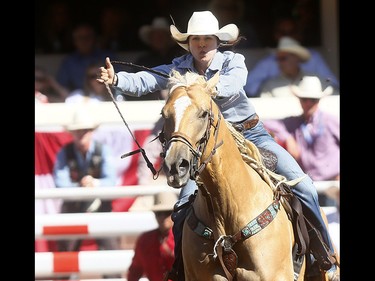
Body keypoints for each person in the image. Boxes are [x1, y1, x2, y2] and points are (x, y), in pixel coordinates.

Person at [97, 11, 339, 280]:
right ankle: (181, 268)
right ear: (188, 43)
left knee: (304, 186)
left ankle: (325, 257)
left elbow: (233, 85)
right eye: (196, 39)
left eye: (207, 39)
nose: (201, 44)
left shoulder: (234, 62)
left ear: (217, 41)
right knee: (180, 210)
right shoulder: (179, 67)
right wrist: (117, 79)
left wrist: (201, 89)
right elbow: (148, 80)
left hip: (250, 135)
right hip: (206, 147)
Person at [263, 75, 339, 207]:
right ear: (300, 100)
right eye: (305, 99)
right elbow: (265, 123)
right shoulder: (293, 123)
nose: (308, 103)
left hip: (331, 187)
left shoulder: (331, 121)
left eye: (313, 100)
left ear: (319, 100)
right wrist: (287, 137)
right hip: (306, 186)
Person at [52, 107, 120, 256]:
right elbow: (60, 182)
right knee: (66, 253)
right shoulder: (65, 152)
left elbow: (111, 180)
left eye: (85, 130)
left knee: (111, 251)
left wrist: (95, 183)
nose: (81, 134)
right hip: (73, 208)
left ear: (91, 132)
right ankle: (67, 278)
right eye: (78, 131)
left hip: (100, 206)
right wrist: (81, 186)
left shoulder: (104, 151)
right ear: (72, 133)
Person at [244, 16, 339, 97]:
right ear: (276, 35)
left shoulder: (314, 59)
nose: (287, 36)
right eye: (282, 32)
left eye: (291, 32)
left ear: (297, 58)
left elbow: (332, 85)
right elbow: (250, 90)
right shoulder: (268, 67)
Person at [126, 17, 182, 101]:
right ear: (151, 38)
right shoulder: (142, 61)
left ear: (168, 38)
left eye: (162, 35)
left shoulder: (178, 61)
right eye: (156, 35)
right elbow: (132, 88)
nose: (159, 38)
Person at [127, 191, 177, 281]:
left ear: (175, 214)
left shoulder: (183, 238)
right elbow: (135, 270)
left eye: (167, 213)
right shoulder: (145, 240)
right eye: (159, 213)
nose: (162, 217)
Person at [56, 23, 116, 92]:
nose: (84, 41)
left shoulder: (107, 57)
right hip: (78, 100)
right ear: (74, 41)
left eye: (87, 37)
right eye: (80, 38)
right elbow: (62, 86)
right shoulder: (68, 62)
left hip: (107, 99)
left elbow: (117, 81)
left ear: (94, 38)